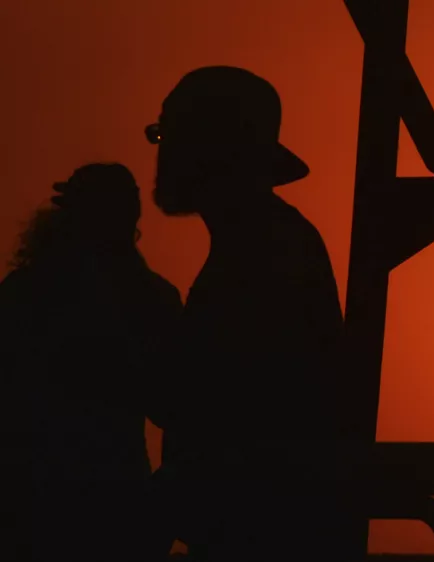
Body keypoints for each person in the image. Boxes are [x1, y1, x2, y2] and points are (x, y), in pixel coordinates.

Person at [145, 66, 345, 561]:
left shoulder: (265, 252)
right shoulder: (265, 241)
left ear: (211, 151)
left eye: (168, 135)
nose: (161, 151)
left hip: (258, 531)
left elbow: (222, 404)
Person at [1, 163, 182, 562]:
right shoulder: (153, 298)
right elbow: (174, 405)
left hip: (46, 509)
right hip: (101, 507)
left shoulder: (22, 294)